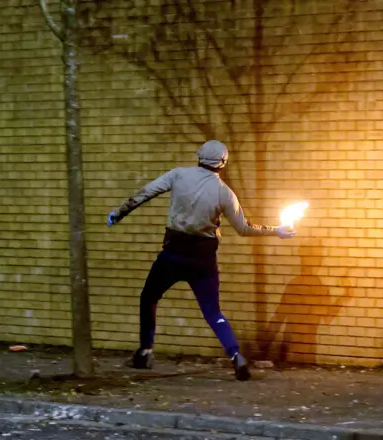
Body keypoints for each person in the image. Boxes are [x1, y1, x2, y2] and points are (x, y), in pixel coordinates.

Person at [107, 140, 296, 381]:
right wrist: (276, 230)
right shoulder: (225, 193)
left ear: (199, 156)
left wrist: (119, 213)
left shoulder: (178, 175)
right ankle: (236, 355)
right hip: (203, 260)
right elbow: (244, 228)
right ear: (223, 163)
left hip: (173, 254)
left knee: (149, 297)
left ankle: (145, 351)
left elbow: (145, 193)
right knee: (212, 311)